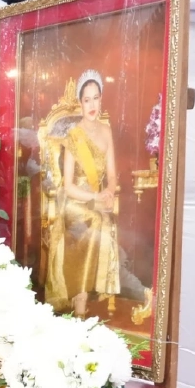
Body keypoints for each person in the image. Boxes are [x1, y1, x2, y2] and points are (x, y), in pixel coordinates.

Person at [60, 69, 123, 318]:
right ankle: (80, 306)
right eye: (87, 100)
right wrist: (95, 198)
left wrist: (107, 191)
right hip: (75, 203)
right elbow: (68, 186)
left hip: (96, 199)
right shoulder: (73, 137)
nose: (92, 104)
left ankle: (92, 297)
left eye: (96, 98)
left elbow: (113, 174)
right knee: (94, 221)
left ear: (101, 99)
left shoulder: (106, 132)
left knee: (101, 218)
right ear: (80, 103)